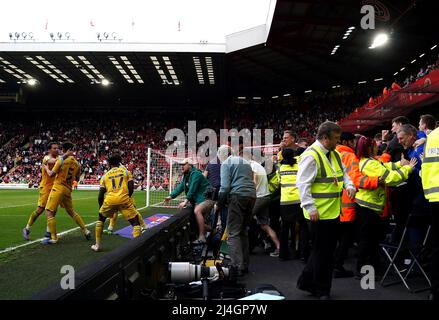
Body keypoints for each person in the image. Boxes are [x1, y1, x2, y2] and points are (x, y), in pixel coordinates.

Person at [296, 121, 356, 299]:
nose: (338, 142)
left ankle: (306, 282)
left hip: (331, 212)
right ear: (324, 138)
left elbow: (343, 174)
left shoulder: (334, 153)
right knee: (325, 253)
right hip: (318, 214)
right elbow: (303, 183)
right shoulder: (311, 155)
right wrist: (310, 206)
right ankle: (322, 289)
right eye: (336, 138)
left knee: (322, 251)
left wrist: (350, 185)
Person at [355, 136, 416, 276]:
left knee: (370, 240)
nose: (378, 147)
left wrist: (399, 164)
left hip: (368, 207)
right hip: (368, 208)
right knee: (368, 241)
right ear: (370, 148)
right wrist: (408, 169)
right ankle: (363, 271)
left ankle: (371, 268)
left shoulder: (370, 161)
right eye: (375, 145)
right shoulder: (370, 164)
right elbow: (390, 178)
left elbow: (385, 166)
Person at [334, 132, 379, 278]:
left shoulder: (333, 154)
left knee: (339, 238)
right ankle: (339, 267)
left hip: (333, 204)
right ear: (347, 142)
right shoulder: (350, 156)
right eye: (353, 142)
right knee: (348, 238)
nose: (354, 144)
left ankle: (337, 265)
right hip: (349, 203)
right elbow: (355, 180)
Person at [216, 145, 256, 278]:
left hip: (237, 196)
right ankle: (244, 264)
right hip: (251, 196)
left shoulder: (226, 163)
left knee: (233, 233)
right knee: (243, 231)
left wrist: (219, 203)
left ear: (222, 154)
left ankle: (236, 266)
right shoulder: (244, 161)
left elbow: (225, 187)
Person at [42, 142, 91, 244]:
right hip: (68, 189)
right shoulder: (77, 163)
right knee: (72, 212)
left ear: (64, 150)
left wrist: (46, 168)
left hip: (58, 187)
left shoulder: (61, 160)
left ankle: (54, 238)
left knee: (49, 212)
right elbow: (77, 178)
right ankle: (85, 230)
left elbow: (51, 174)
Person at [91, 153, 141, 251]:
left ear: (109, 164)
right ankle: (137, 247)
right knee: (135, 222)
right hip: (124, 199)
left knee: (101, 219)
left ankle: (97, 245)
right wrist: (127, 198)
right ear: (119, 163)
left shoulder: (105, 176)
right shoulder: (126, 172)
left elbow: (100, 195)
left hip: (110, 200)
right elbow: (131, 188)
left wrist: (101, 208)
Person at [272, 147, 309, 261]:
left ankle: (283, 254)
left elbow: (277, 183)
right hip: (299, 201)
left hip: (286, 202)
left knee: (285, 228)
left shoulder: (280, 169)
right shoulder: (299, 167)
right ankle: (303, 254)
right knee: (303, 228)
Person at [243, 150, 281, 258]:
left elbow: (254, 182)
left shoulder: (251, 166)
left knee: (243, 221)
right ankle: (279, 247)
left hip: (259, 198)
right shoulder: (258, 165)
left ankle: (243, 249)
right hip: (265, 197)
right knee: (264, 224)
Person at [22, 142, 64, 240]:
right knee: (40, 210)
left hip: (54, 187)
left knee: (53, 211)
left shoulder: (59, 159)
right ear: (49, 150)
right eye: (54, 148)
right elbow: (52, 161)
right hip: (45, 187)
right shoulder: (46, 158)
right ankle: (27, 228)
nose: (56, 150)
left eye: (57, 148)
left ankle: (48, 233)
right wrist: (63, 159)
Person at [163, 158, 210, 244]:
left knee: (197, 212)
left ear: (190, 165)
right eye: (181, 165)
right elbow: (180, 188)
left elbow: (192, 189)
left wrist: (185, 201)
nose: (182, 167)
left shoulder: (196, 174)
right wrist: (170, 197)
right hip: (198, 200)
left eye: (184, 164)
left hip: (205, 199)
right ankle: (212, 231)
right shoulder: (187, 175)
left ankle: (202, 237)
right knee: (195, 221)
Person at [421, 126, 439, 301]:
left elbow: (425, 169)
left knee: (437, 247)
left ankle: (435, 291)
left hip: (433, 197)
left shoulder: (432, 136)